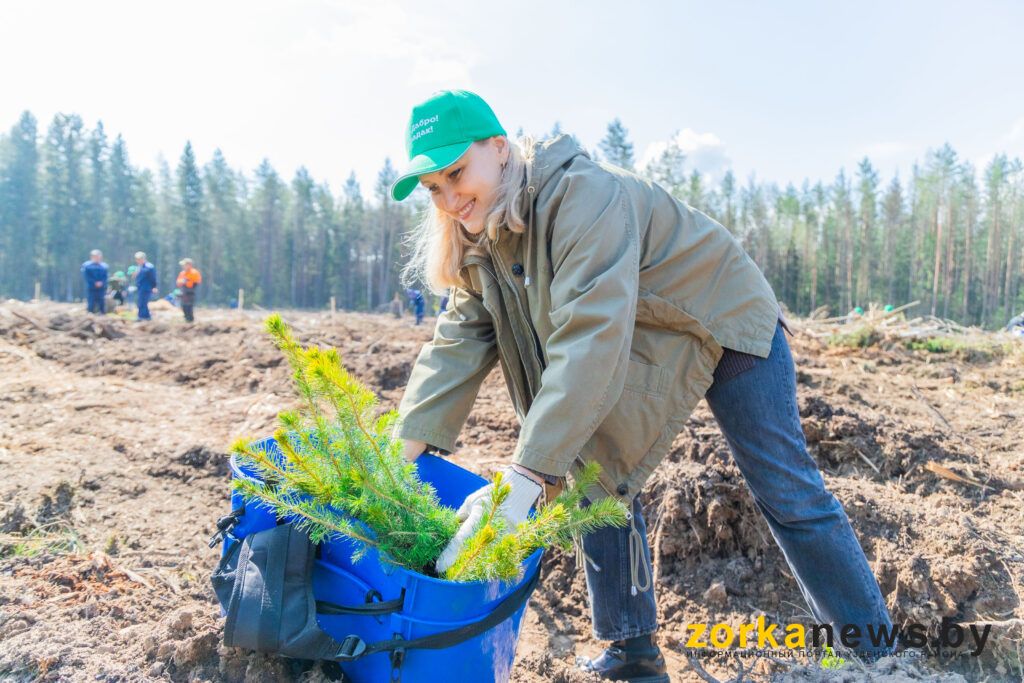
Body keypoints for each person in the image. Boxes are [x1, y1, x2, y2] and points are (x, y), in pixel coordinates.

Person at [389, 90, 894, 679]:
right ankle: (631, 653)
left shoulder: (582, 196)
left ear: (498, 149)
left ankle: (874, 653)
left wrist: (524, 479)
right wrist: (402, 454)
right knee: (587, 461)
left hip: (719, 319)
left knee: (784, 488)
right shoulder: (479, 233)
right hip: (648, 333)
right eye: (432, 188)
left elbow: (589, 340)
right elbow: (456, 341)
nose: (448, 199)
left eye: (455, 173)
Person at [81, 249, 109, 314]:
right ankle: (90, 314)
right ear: (92, 257)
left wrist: (102, 283)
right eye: (95, 257)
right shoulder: (87, 266)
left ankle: (102, 314)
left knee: (101, 301)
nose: (97, 258)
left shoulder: (104, 266)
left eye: (98, 257)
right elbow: (87, 277)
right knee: (91, 301)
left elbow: (105, 277)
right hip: (91, 287)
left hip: (101, 287)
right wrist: (94, 283)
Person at [176, 258, 202, 323]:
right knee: (183, 305)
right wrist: (182, 282)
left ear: (189, 265)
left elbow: (197, 281)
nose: (183, 266)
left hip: (191, 291)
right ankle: (186, 319)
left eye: (184, 265)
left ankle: (190, 320)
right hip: (183, 291)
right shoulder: (182, 273)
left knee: (189, 306)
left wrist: (188, 281)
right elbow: (178, 282)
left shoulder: (194, 272)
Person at [133, 252, 157, 321]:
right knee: (141, 302)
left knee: (143, 302)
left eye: (139, 259)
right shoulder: (139, 267)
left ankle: (141, 317)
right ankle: (146, 317)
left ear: (143, 259)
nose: (138, 261)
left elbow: (153, 278)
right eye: (137, 259)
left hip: (146, 287)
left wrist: (154, 286)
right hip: (140, 287)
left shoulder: (149, 267)